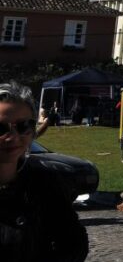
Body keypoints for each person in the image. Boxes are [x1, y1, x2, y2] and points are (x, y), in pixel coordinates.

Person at [0, 81, 87, 262]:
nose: (13, 137)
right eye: (1, 128)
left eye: (23, 126)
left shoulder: (44, 182)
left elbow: (73, 244)